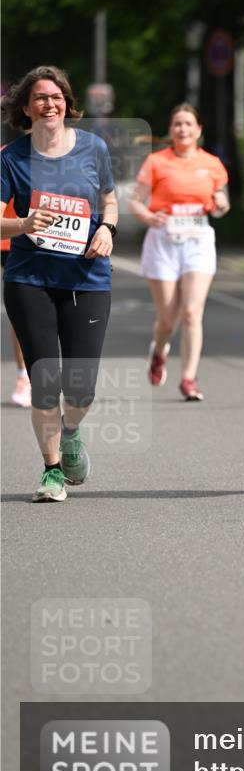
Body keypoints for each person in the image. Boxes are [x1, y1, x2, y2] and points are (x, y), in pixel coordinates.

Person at [0, 65, 118, 502]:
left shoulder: (93, 148)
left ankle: (71, 431)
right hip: (30, 277)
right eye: (40, 98)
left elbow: (108, 198)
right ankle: (51, 471)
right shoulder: (11, 157)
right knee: (45, 380)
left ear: (67, 103)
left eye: (57, 97)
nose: (50, 104)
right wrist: (23, 222)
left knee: (81, 386)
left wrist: (107, 229)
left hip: (87, 277)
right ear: (26, 108)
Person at [129, 104, 230, 401]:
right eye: (177, 124)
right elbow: (135, 201)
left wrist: (222, 205)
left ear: (199, 130)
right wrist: (149, 217)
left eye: (188, 124)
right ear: (171, 130)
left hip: (198, 241)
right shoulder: (156, 162)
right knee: (168, 319)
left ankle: (189, 379)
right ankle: (159, 352)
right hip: (163, 241)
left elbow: (221, 199)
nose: (183, 129)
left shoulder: (211, 163)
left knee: (191, 311)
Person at [1, 190, 32, 407]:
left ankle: (26, 374)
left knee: (24, 311)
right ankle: (25, 375)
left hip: (26, 237)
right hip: (7, 238)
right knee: (22, 311)